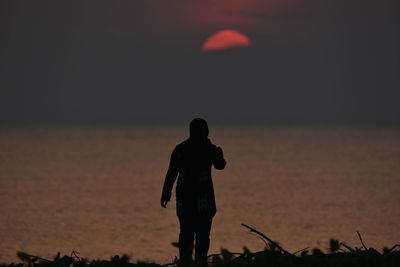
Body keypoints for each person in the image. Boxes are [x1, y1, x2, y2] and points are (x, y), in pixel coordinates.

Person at [161, 118, 226, 263]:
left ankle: (186, 263)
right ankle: (199, 263)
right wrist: (220, 156)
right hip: (203, 202)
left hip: (186, 200)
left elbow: (171, 172)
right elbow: (220, 165)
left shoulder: (181, 149)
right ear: (205, 132)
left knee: (186, 235)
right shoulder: (209, 149)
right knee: (201, 236)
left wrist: (166, 192)